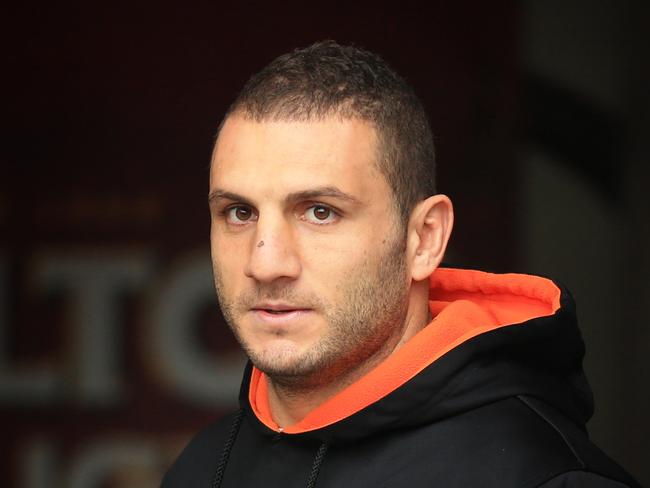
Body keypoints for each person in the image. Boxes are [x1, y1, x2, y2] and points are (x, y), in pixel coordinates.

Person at [161, 41, 640, 488]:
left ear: (425, 239)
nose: (266, 264)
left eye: (320, 212)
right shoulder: (201, 467)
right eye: (239, 213)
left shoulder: (540, 477)